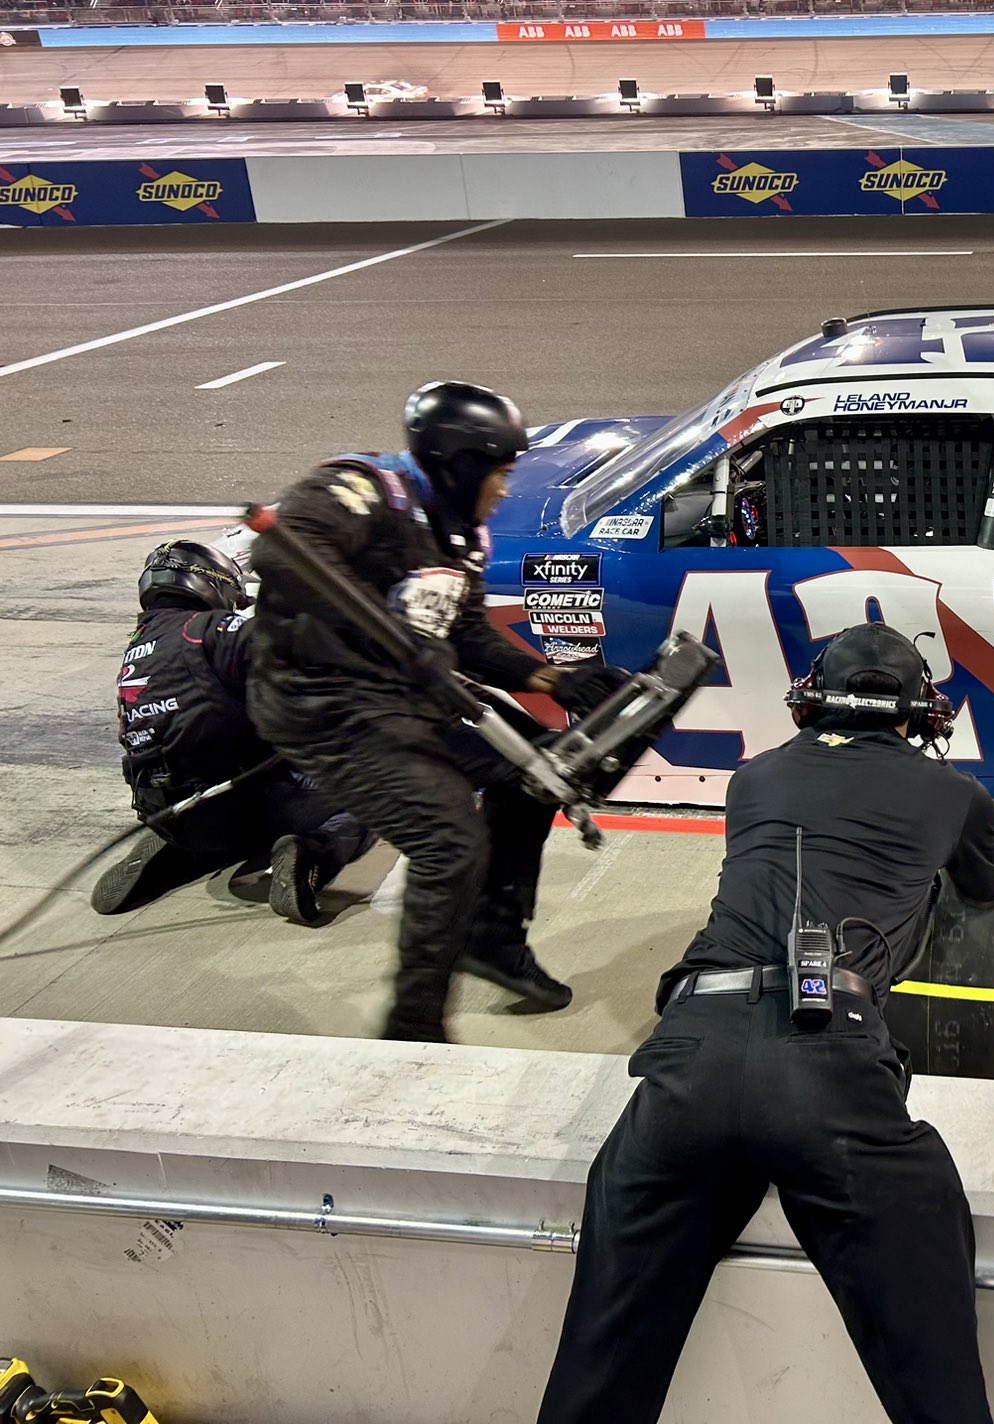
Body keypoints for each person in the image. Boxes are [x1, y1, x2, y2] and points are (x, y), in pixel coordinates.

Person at [535, 622, 994, 1424]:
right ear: (921, 711)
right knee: (939, 1393)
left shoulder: (752, 780)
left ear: (810, 700)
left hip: (692, 1049)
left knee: (596, 1381)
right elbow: (986, 890)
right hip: (832, 1061)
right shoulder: (957, 795)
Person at [248, 381, 632, 1044]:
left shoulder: (462, 537)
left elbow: (468, 635)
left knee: (539, 773)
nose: (505, 490)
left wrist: (556, 679)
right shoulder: (361, 491)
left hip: (402, 695)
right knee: (449, 842)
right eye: (499, 473)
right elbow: (282, 551)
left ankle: (492, 936)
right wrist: (395, 642)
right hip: (321, 708)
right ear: (459, 465)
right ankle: (414, 1031)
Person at [91, 540, 371, 923]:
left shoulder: (137, 648)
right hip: (238, 804)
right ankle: (312, 854)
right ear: (211, 584)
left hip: (164, 810)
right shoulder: (210, 629)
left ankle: (187, 849)